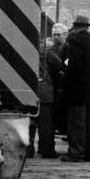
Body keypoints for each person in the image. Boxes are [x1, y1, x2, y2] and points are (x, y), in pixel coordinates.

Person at [61, 14, 90, 163]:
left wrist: (65, 78)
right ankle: (89, 152)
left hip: (77, 88)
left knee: (76, 122)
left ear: (75, 26)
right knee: (89, 122)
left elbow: (73, 65)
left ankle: (76, 153)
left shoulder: (74, 40)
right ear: (87, 27)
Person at [36, 23, 67, 158]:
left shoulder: (34, 47)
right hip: (46, 89)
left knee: (33, 122)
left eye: (58, 35)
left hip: (35, 88)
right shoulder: (47, 49)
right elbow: (58, 65)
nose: (55, 37)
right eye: (54, 35)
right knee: (46, 122)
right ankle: (47, 149)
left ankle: (31, 149)